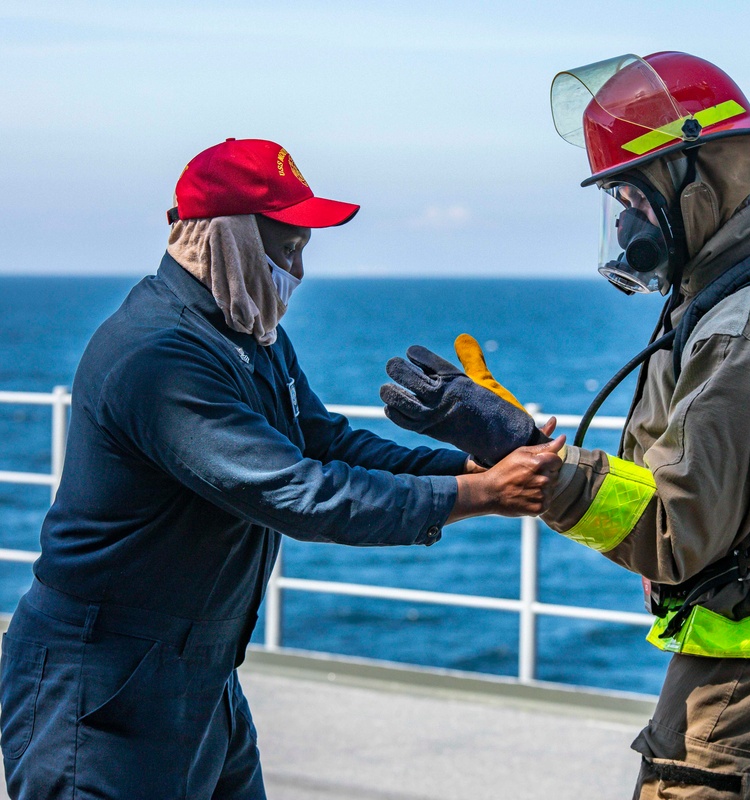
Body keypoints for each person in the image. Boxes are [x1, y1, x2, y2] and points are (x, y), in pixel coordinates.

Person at [382, 53, 750, 798]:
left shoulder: (749, 332)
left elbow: (675, 530)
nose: (627, 222)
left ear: (696, 182)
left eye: (634, 198)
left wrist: (524, 456)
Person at [0, 137, 564, 799]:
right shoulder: (158, 354)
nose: (298, 267)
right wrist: (479, 494)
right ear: (228, 239)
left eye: (303, 249)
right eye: (286, 246)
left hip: (199, 674)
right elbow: (296, 492)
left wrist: (468, 462)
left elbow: (326, 444)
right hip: (104, 682)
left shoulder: (248, 332)